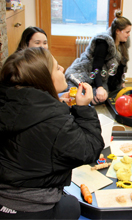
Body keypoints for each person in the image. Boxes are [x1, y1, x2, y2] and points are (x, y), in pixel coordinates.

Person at [0, 47, 105, 219]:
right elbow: (90, 149)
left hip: (4, 196)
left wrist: (57, 104)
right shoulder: (55, 123)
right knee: (73, 206)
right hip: (32, 207)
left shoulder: (9, 102)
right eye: (57, 68)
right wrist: (83, 108)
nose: (63, 69)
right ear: (44, 79)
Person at [65, 10, 131, 105]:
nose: (129, 35)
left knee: (103, 97)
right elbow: (96, 67)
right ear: (117, 31)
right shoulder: (103, 42)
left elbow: (121, 67)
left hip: (99, 77)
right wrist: (99, 87)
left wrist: (121, 83)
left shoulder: (122, 44)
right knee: (79, 97)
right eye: (127, 32)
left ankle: (91, 98)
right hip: (83, 73)